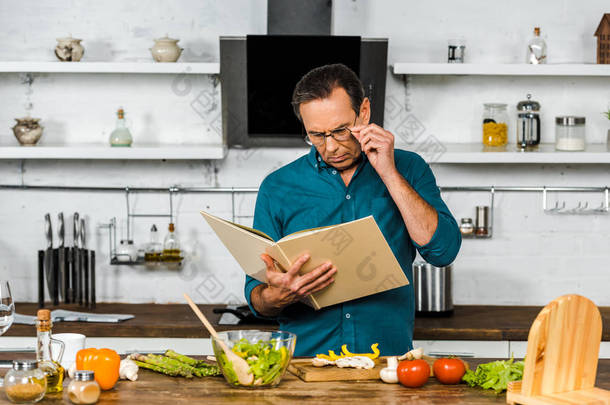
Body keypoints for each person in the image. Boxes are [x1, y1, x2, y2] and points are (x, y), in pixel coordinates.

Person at [245, 63, 461, 356]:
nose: (331, 147)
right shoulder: (277, 187)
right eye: (317, 136)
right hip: (304, 367)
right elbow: (258, 300)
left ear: (365, 112)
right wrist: (277, 294)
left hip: (387, 362)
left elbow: (443, 251)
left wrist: (388, 173)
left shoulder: (409, 168)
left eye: (340, 131)